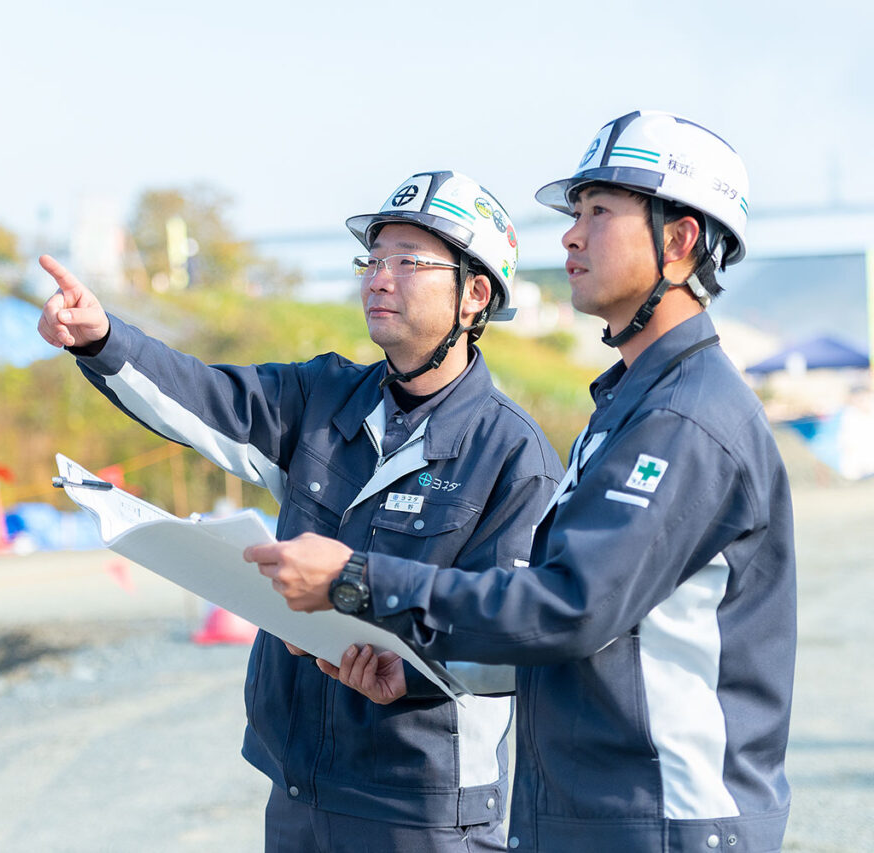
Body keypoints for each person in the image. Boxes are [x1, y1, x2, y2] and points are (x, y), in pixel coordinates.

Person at [251, 113, 797, 852]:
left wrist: (357, 579)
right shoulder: (627, 406)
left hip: (662, 822)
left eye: (599, 212)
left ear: (680, 240)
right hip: (589, 816)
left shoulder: (686, 419)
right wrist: (417, 675)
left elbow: (570, 605)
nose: (570, 236)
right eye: (575, 214)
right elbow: (566, 640)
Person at [37, 170, 564, 852]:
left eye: (409, 262)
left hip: (422, 811)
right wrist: (103, 338)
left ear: (476, 294)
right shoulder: (323, 399)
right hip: (299, 789)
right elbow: (204, 400)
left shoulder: (512, 456)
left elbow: (525, 635)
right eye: (373, 259)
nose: (379, 278)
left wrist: (412, 674)